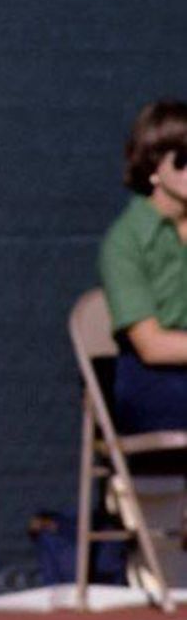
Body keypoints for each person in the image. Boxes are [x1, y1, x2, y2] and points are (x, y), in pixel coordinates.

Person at [99, 100, 187, 435]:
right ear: (153, 165)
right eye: (182, 159)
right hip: (152, 382)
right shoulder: (125, 240)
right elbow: (151, 345)